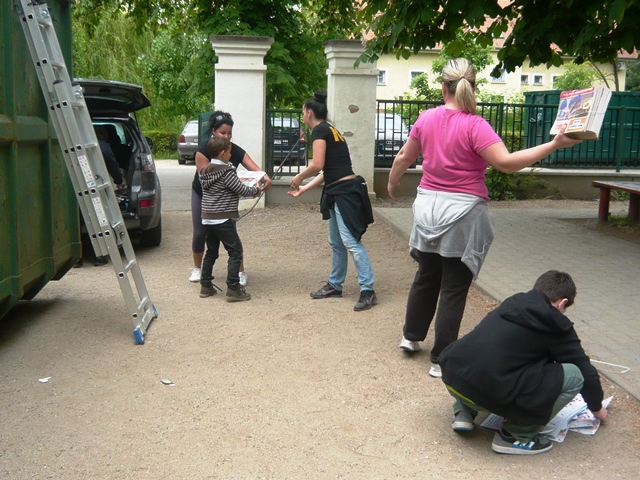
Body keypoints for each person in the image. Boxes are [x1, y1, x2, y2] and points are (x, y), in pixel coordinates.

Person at [387, 58, 583, 377]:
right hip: (462, 213)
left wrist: (393, 182)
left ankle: (410, 337)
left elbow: (403, 157)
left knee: (426, 275)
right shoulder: (475, 125)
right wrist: (554, 144)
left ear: (443, 87)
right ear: (473, 87)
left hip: (427, 209)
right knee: (454, 286)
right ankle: (441, 358)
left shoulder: (426, 118)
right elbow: (506, 163)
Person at [439, 270, 608, 455]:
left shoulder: (513, 303)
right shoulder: (556, 324)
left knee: (487, 357)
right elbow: (585, 371)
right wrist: (596, 407)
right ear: (562, 303)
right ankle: (514, 436)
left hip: (453, 377)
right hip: (486, 391)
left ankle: (464, 410)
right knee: (573, 376)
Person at [288, 92, 377, 312]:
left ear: (309, 113)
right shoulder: (331, 129)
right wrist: (304, 188)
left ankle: (368, 290)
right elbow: (328, 170)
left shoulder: (320, 130)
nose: (303, 116)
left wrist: (299, 177)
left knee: (351, 242)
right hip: (339, 190)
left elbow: (317, 164)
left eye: (303, 112)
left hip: (344, 193)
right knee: (337, 242)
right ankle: (335, 284)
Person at [190, 111, 272, 285]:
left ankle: (239, 272)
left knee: (230, 236)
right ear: (214, 131)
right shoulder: (204, 151)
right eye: (223, 133)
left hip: (224, 201)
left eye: (229, 133)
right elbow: (207, 180)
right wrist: (253, 190)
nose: (227, 136)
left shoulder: (233, 150)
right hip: (204, 196)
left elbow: (254, 167)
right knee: (200, 232)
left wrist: (264, 176)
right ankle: (197, 268)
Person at [196, 136, 262, 302]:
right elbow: (241, 190)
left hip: (208, 218)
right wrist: (256, 190)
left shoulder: (204, 171)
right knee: (235, 252)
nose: (231, 156)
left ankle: (206, 286)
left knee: (211, 252)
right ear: (223, 153)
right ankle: (233, 288)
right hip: (223, 218)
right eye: (230, 153)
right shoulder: (227, 172)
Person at [75, 126, 126, 268]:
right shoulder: (103, 147)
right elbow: (112, 165)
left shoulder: (77, 146)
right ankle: (100, 256)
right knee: (99, 220)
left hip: (78, 189)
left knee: (78, 222)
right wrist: (119, 181)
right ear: (104, 135)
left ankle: (77, 258)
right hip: (96, 188)